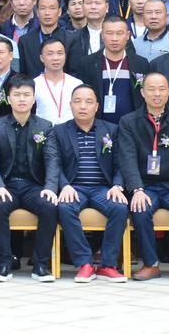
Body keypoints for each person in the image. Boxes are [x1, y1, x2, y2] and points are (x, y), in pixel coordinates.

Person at [116, 70, 169, 281]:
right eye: (151, 89)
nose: (157, 94)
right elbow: (127, 159)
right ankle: (151, 264)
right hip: (144, 186)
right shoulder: (129, 122)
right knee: (140, 208)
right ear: (142, 92)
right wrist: (136, 189)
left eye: (162, 89)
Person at [0, 76, 61, 283]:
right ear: (9, 99)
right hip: (6, 185)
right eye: (16, 95)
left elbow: (52, 160)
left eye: (27, 95)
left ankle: (41, 265)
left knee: (49, 206)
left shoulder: (45, 126)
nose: (22, 99)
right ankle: (4, 265)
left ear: (34, 99)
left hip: (33, 186)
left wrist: (50, 187)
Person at [48, 85, 129, 283]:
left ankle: (107, 265)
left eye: (88, 102)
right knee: (65, 208)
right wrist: (64, 185)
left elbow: (121, 163)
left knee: (120, 208)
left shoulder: (112, 130)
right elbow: (53, 163)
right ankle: (85, 263)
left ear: (97, 106)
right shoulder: (58, 131)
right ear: (70, 105)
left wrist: (117, 185)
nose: (82, 106)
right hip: (74, 188)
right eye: (77, 101)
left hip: (104, 188)